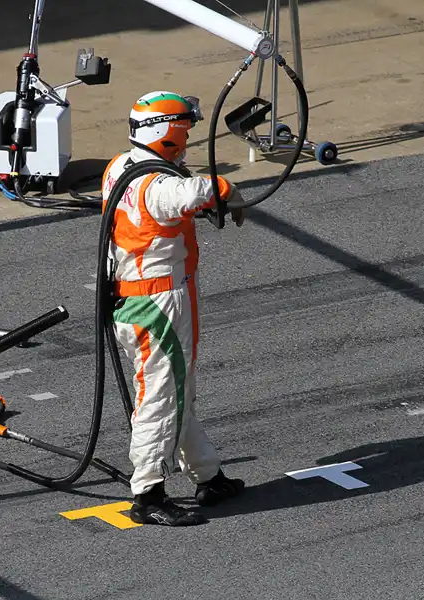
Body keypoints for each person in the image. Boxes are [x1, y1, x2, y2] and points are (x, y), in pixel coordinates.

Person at [100, 91, 246, 526]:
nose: (187, 138)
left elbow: (163, 206)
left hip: (136, 299)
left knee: (176, 393)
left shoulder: (119, 168)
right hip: (158, 303)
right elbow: (189, 192)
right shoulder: (160, 184)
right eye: (184, 128)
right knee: (161, 398)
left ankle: (208, 475)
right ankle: (148, 493)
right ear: (167, 132)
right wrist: (227, 191)